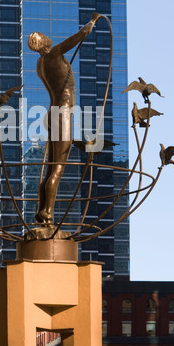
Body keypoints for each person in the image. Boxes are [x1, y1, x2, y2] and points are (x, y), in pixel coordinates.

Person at [28, 12, 101, 225]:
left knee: (51, 166)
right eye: (44, 36)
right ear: (43, 42)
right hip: (63, 113)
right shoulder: (54, 54)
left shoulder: (40, 65)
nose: (48, 37)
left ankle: (42, 210)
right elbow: (80, 35)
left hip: (53, 113)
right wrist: (94, 20)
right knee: (58, 166)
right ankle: (47, 213)